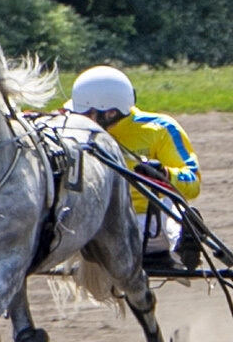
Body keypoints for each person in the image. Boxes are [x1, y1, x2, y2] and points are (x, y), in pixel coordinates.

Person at [67, 66, 201, 271]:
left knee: (175, 205)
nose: (80, 119)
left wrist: (164, 175)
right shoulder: (72, 128)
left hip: (151, 226)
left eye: (87, 114)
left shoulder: (160, 129)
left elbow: (192, 183)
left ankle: (184, 242)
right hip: (101, 225)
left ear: (110, 113)